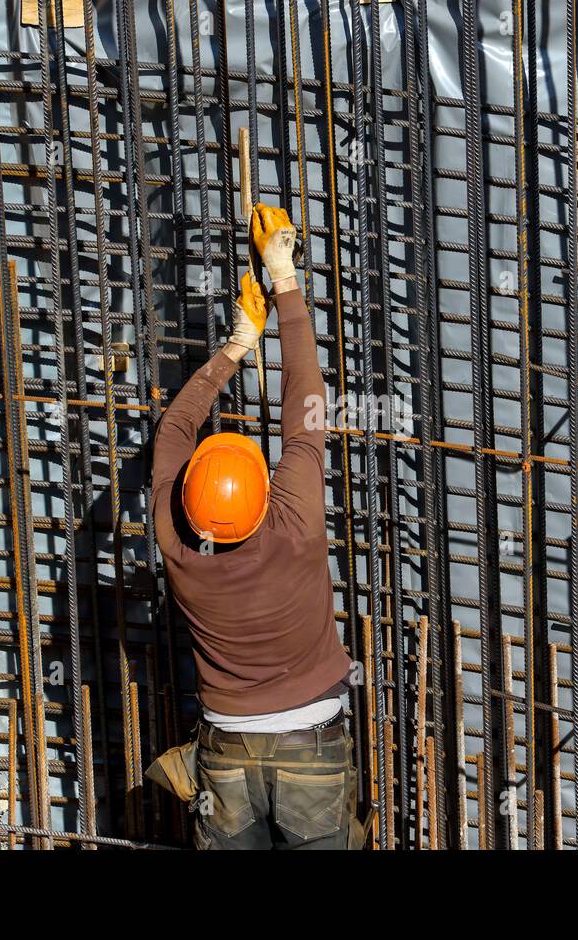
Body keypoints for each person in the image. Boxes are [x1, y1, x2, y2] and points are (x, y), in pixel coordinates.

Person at [149, 203, 361, 849]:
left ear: (187, 494)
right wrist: (283, 281)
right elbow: (306, 408)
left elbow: (174, 430)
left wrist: (235, 347)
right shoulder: (293, 519)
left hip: (226, 752)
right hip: (313, 747)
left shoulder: (174, 537)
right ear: (262, 493)